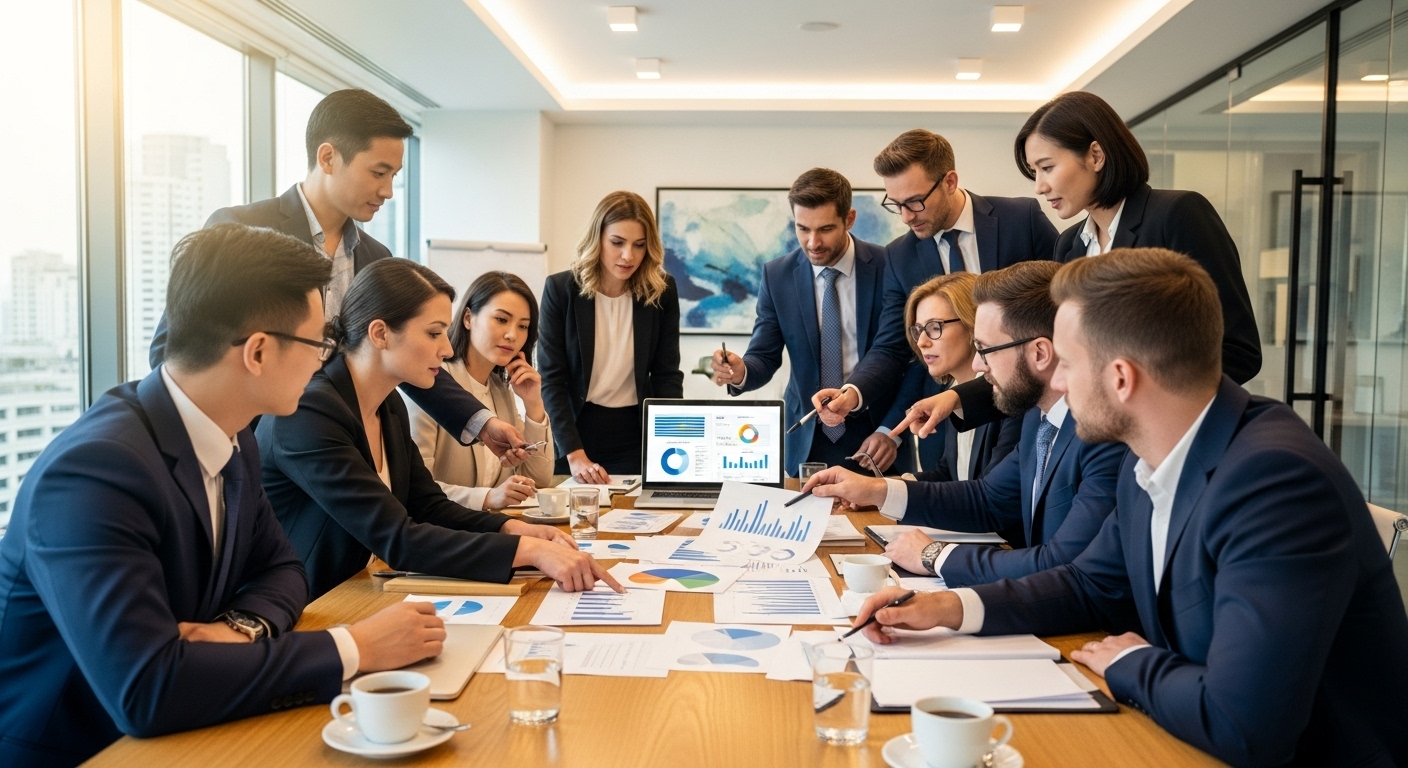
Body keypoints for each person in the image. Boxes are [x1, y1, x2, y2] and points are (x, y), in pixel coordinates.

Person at [854, 249, 1408, 766]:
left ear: (1121, 378)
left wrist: (1129, 663)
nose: (1059, 383)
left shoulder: (1277, 483)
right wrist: (947, 609)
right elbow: (1089, 584)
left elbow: (1245, 724)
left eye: (1067, 363)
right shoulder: (1155, 453)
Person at [0, 225, 448, 767]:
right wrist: (355, 647)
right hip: (88, 749)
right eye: (318, 344)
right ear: (258, 352)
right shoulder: (95, 471)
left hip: (192, 726)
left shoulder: (232, 436)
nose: (322, 362)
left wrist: (240, 629)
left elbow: (283, 570)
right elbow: (148, 689)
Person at [147, 88, 532, 465]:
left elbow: (405, 354)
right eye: (378, 173)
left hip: (338, 453)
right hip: (250, 455)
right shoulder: (241, 229)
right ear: (328, 157)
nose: (389, 191)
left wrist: (481, 422)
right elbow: (174, 347)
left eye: (395, 175)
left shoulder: (374, 257)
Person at [892, 91, 1266, 441]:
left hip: (1167, 437)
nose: (1039, 186)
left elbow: (1237, 350)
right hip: (1095, 439)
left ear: (1096, 156)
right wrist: (959, 398)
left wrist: (1130, 410)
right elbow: (1049, 360)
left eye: (1047, 167)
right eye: (1034, 172)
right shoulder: (1070, 244)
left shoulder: (1176, 215)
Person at [257, 258, 621, 599]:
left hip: (365, 589)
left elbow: (427, 505)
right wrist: (528, 550)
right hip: (311, 607)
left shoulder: (388, 404)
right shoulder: (309, 412)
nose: (447, 348)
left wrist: (510, 530)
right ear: (380, 333)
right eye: (433, 334)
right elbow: (397, 537)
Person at [804, 261, 1125, 587]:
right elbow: (987, 499)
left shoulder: (1102, 433)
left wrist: (935, 556)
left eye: (985, 349)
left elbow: (1063, 564)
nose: (977, 365)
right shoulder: (1038, 420)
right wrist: (874, 489)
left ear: (1040, 353)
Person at [807, 129, 1057, 472]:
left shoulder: (1021, 221)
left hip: (1026, 402)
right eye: (896, 205)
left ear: (950, 181)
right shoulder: (900, 255)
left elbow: (1064, 308)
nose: (907, 216)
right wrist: (853, 392)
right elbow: (893, 345)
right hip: (947, 410)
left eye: (914, 202)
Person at [710, 168, 893, 475]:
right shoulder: (777, 275)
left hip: (875, 438)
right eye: (802, 228)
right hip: (806, 439)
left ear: (849, 219)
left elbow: (902, 357)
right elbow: (764, 356)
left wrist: (890, 430)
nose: (813, 242)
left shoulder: (888, 266)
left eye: (825, 229)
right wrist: (741, 371)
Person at [538, 191, 684, 481]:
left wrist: (673, 442)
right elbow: (552, 380)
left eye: (639, 245)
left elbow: (667, 375)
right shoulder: (561, 290)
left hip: (638, 433)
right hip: (575, 433)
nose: (628, 256)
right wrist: (574, 454)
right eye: (617, 243)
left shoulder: (661, 291)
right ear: (598, 239)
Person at [407, 271, 553, 510]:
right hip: (440, 534)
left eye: (523, 326)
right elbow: (415, 488)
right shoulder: (430, 382)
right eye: (501, 320)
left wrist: (533, 404)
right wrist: (488, 498)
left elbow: (539, 479)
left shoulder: (500, 389)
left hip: (486, 529)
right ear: (467, 318)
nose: (512, 335)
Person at [899, 272, 1021, 484]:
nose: (922, 342)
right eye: (919, 330)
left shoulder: (1007, 391)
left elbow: (988, 496)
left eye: (935, 327)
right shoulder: (952, 390)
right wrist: (881, 488)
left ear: (972, 324)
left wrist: (886, 493)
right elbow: (949, 475)